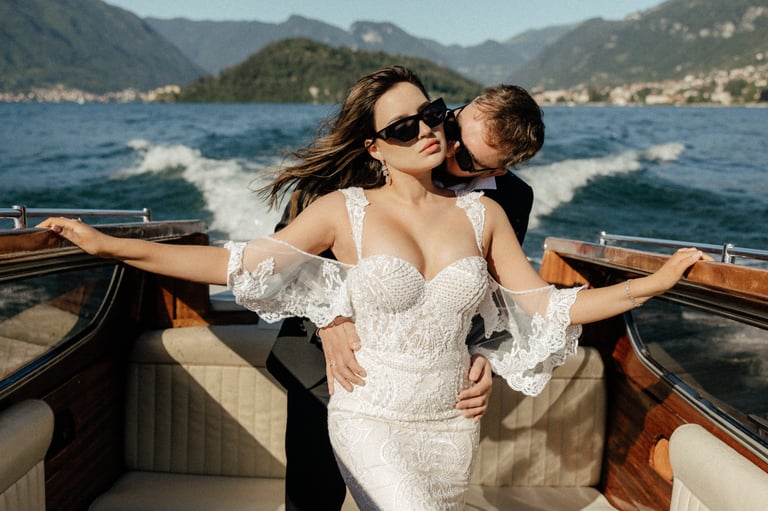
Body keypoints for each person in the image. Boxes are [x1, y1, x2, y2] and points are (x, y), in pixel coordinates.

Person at [39, 65, 707, 510]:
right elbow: (249, 264)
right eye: (421, 126)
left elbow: (522, 304)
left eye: (459, 147)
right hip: (352, 386)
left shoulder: (497, 208)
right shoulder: (343, 196)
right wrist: (110, 245)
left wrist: (650, 284)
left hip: (447, 419)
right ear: (375, 146)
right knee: (315, 493)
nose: (438, 140)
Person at [267, 83, 544, 511]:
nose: (443, 145)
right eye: (449, 121)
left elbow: (499, 299)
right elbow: (279, 262)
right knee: (314, 491)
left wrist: (487, 354)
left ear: (501, 169)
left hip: (429, 389)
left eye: (467, 158)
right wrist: (330, 319)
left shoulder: (509, 201)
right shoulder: (380, 148)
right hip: (329, 357)